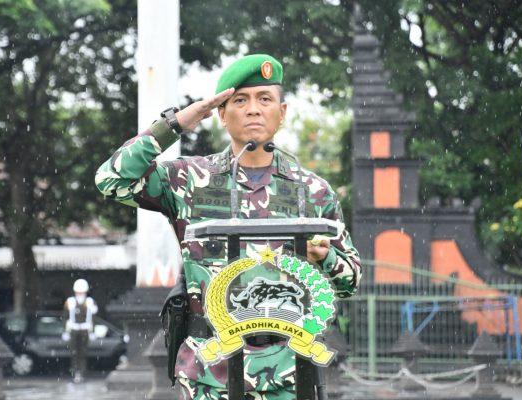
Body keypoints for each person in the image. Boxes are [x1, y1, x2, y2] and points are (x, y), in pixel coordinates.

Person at [95, 54, 362, 399]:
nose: (253, 110)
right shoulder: (190, 180)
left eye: (264, 99)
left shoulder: (311, 191)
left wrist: (325, 258)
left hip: (289, 375)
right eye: (240, 101)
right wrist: (177, 123)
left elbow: (350, 282)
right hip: (210, 374)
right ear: (221, 114)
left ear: (281, 112)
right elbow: (111, 179)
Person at [62, 278, 98, 383]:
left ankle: (81, 373)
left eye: (82, 292)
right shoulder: (70, 302)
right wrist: (65, 331)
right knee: (74, 353)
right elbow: (65, 317)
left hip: (85, 329)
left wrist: (92, 331)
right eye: (78, 292)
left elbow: (93, 319)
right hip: (73, 329)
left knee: (83, 353)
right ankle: (75, 373)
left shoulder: (90, 302)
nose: (80, 294)